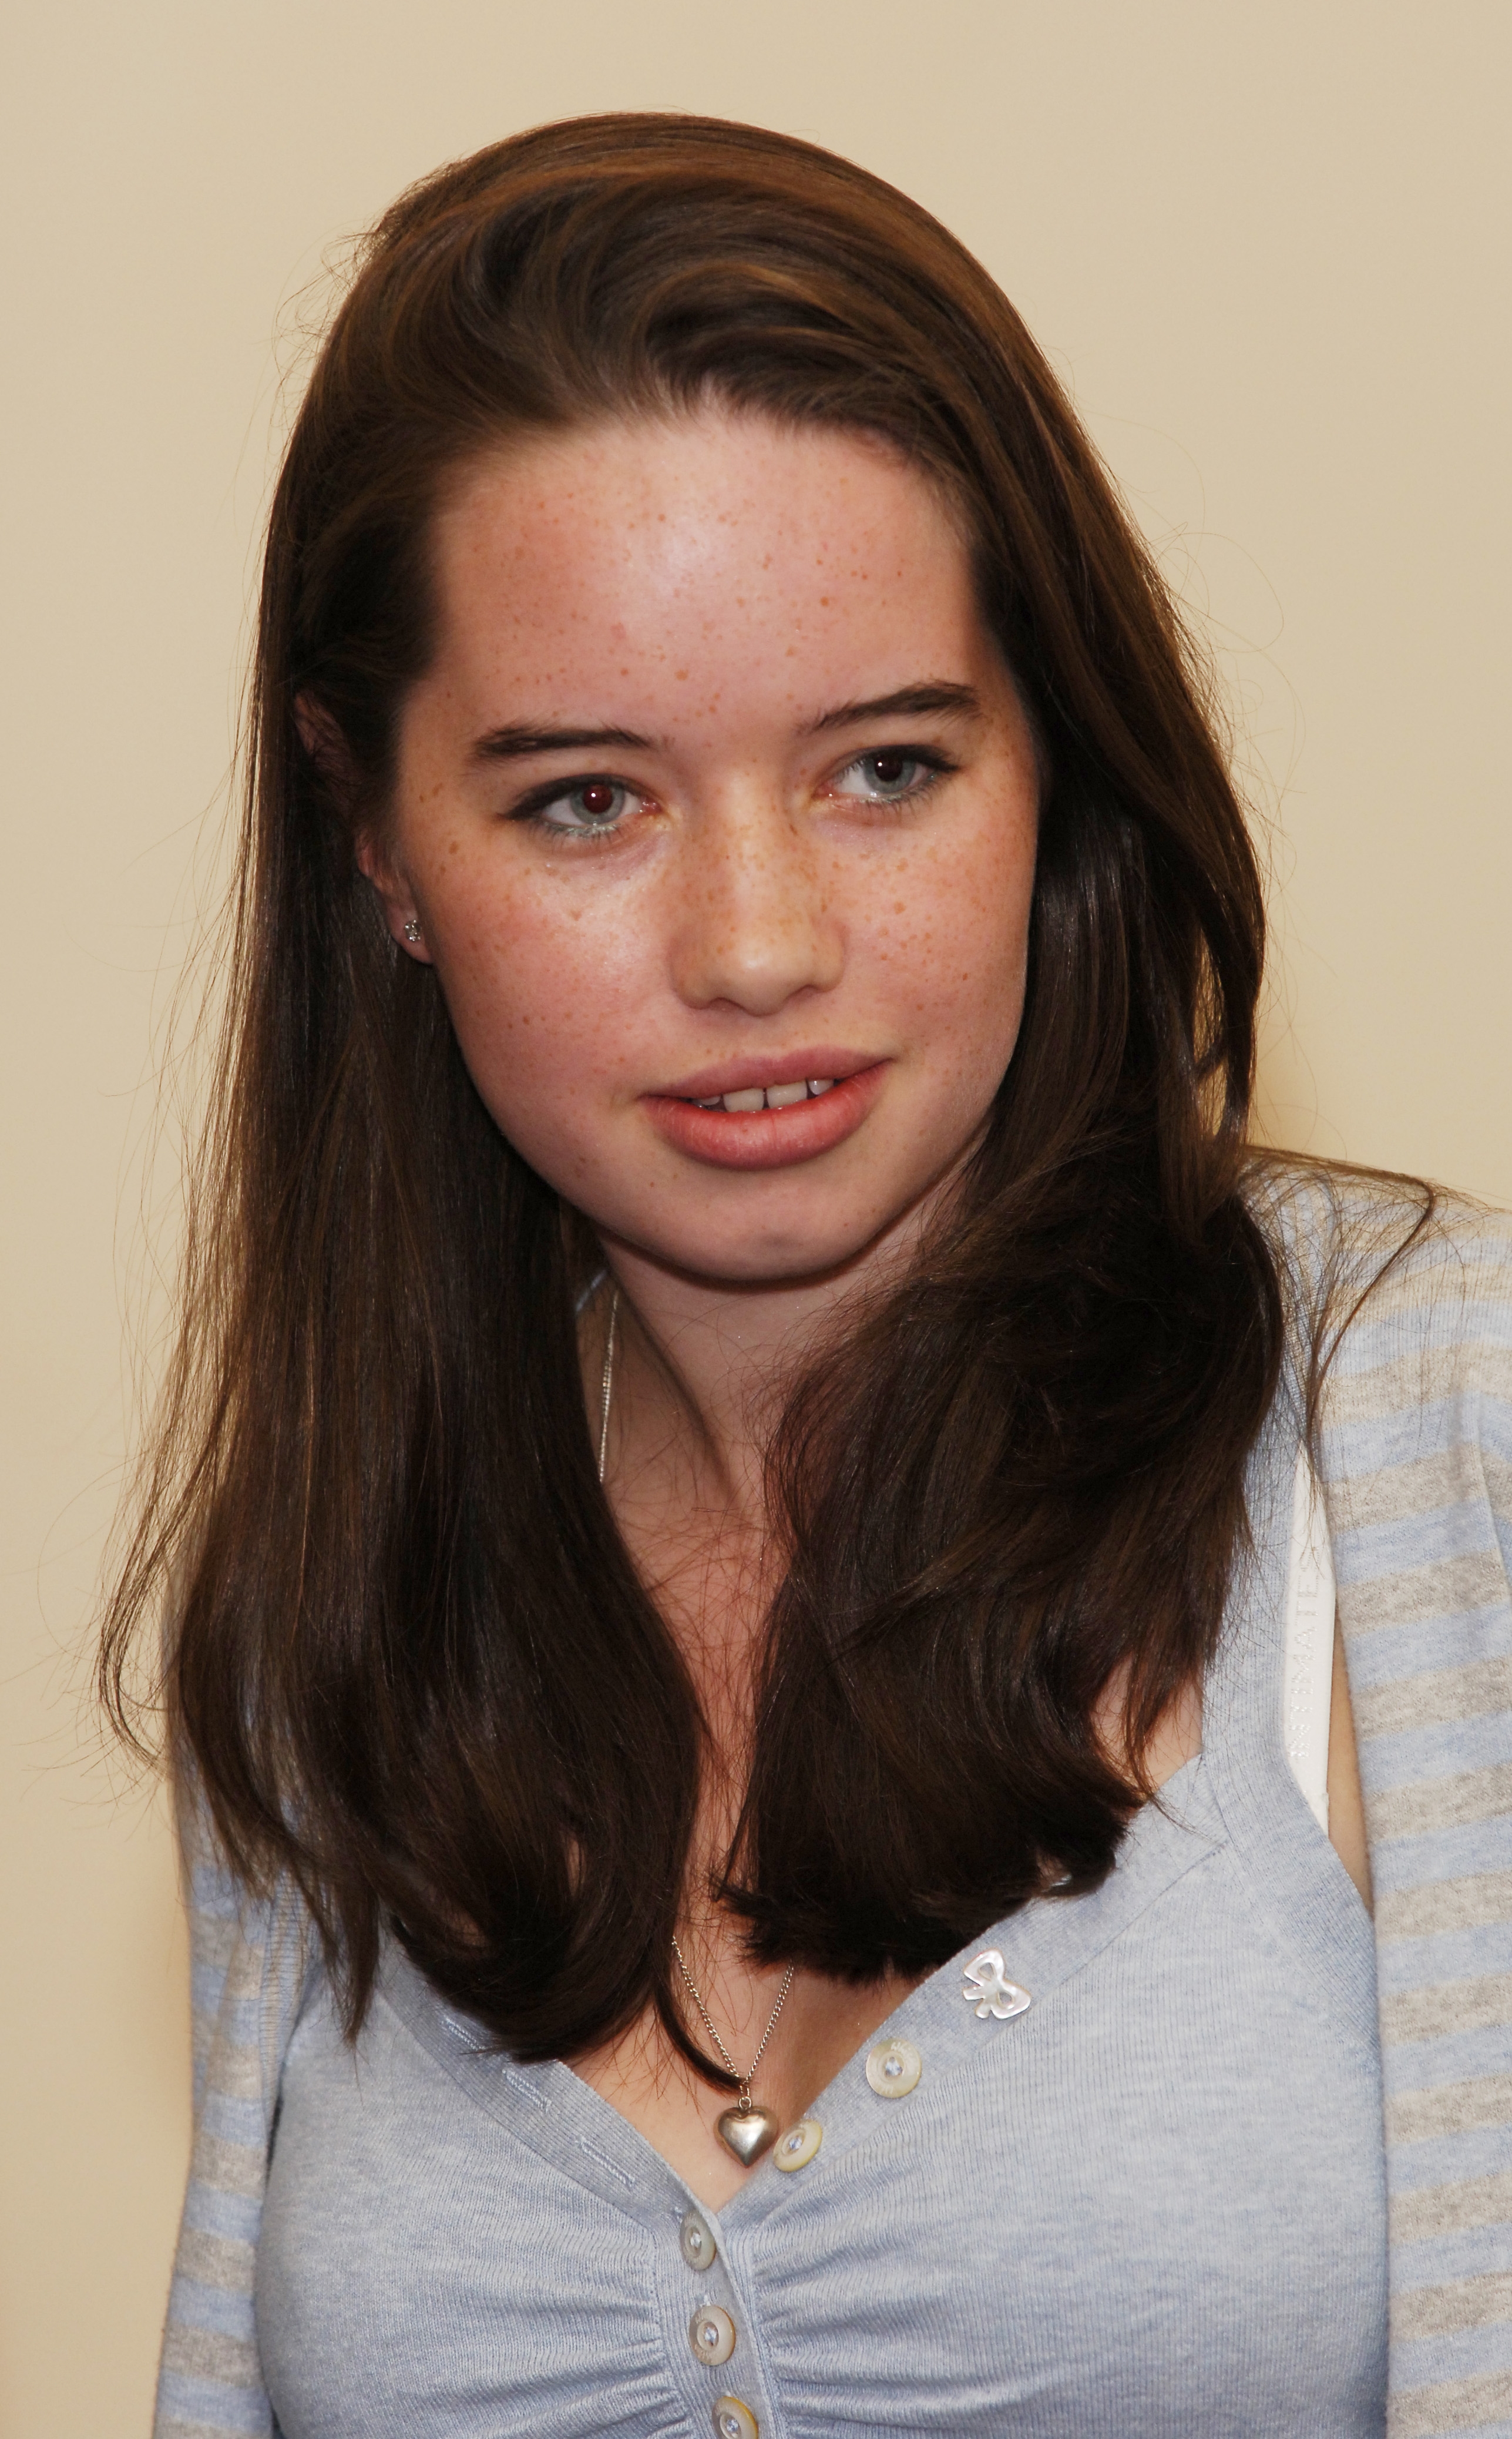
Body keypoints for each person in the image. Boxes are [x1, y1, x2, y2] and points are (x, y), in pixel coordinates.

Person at [103, 113, 1511, 2439]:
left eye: (884, 769)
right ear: (376, 838)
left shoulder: (1434, 1437)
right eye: (585, 799)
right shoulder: (346, 1616)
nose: (755, 946)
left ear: (1054, 764)